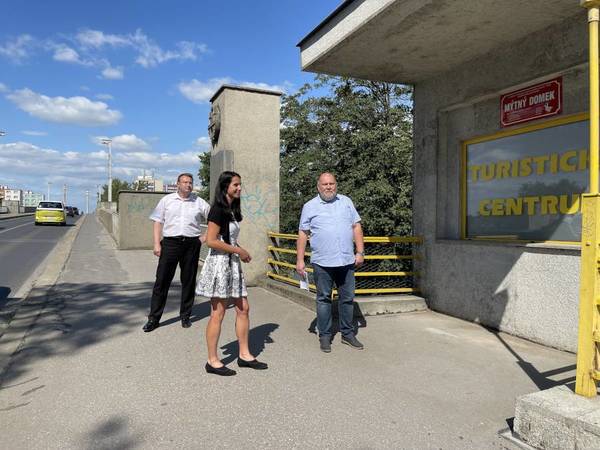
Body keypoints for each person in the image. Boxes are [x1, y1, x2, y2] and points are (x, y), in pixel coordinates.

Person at [196, 171, 268, 376]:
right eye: (235, 184)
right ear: (225, 186)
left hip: (232, 263)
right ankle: (212, 360)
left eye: (240, 184)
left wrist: (240, 251)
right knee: (218, 312)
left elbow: (228, 239)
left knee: (243, 308)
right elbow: (211, 241)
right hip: (220, 264)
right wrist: (239, 251)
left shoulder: (230, 209)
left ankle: (244, 355)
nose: (239, 188)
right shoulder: (218, 209)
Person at [296, 172, 365, 353]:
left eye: (331, 183)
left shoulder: (346, 202)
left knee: (347, 299)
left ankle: (347, 334)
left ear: (336, 185)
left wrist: (360, 251)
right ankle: (325, 336)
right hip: (322, 262)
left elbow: (356, 226)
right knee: (323, 299)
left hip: (346, 261)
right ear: (318, 186)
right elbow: (303, 233)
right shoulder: (309, 206)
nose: (328, 187)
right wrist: (300, 260)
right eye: (325, 184)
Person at [142, 173, 210, 332]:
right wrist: (156, 243)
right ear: (178, 184)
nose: (188, 185)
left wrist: (204, 238)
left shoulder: (199, 202)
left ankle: (185, 315)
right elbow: (157, 222)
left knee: (189, 281)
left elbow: (214, 219)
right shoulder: (167, 200)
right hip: (170, 244)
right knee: (162, 281)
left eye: (190, 182)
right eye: (184, 182)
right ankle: (154, 319)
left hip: (191, 244)